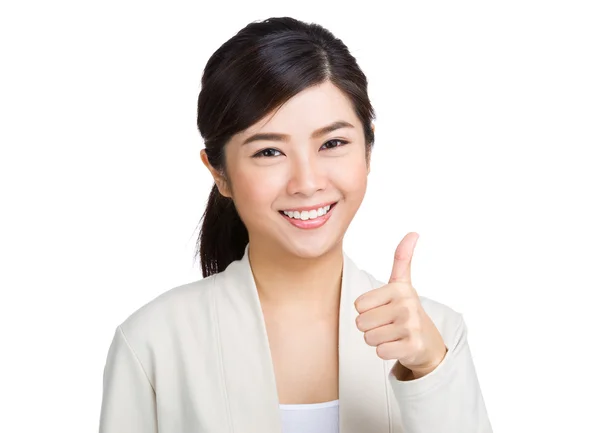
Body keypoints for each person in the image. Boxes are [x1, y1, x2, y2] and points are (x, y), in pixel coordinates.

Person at [99, 16, 493, 433]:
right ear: (219, 173)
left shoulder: (437, 333)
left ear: (368, 150)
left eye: (333, 143)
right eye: (269, 152)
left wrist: (430, 371)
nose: (307, 183)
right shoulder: (152, 342)